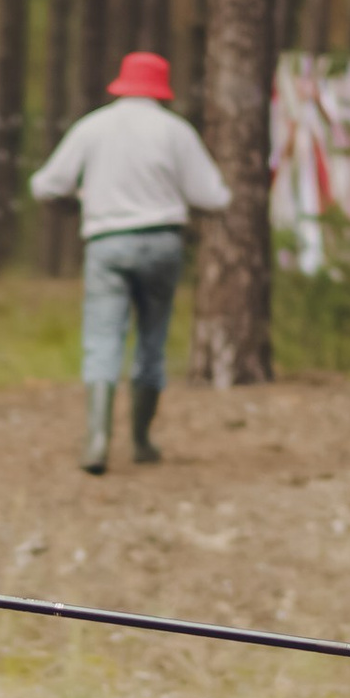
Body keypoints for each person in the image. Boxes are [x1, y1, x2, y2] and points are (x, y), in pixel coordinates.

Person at [29, 51, 231, 476]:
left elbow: (46, 185)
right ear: (161, 88)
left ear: (122, 83)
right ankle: (140, 441)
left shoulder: (94, 126)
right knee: (152, 340)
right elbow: (215, 197)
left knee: (103, 338)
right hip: (163, 244)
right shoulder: (176, 131)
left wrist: (76, 204)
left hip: (107, 243)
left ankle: (98, 441)